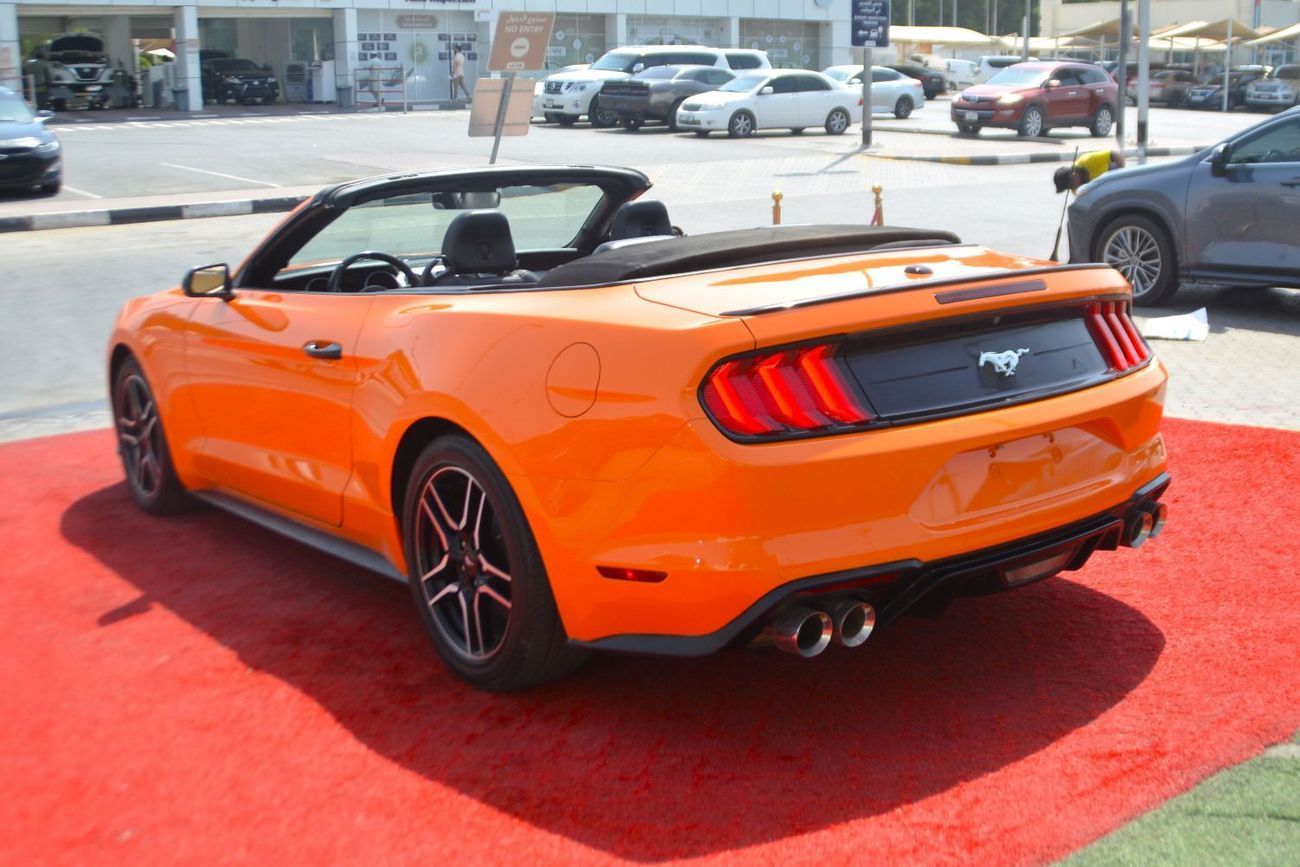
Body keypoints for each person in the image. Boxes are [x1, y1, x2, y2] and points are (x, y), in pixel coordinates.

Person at [1053, 149, 1125, 193]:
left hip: (1114, 176)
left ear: (1074, 175)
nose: (1073, 190)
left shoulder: (1088, 160)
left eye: (1072, 186)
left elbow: (1114, 154)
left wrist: (1121, 176)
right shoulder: (1077, 190)